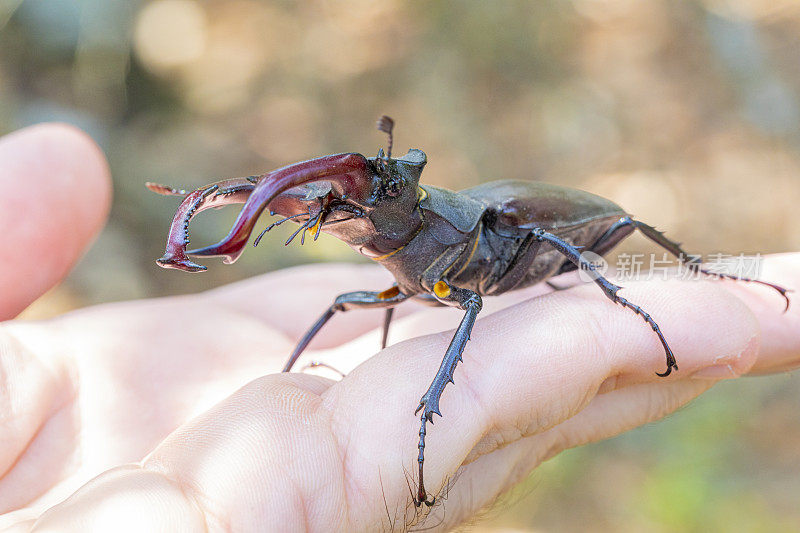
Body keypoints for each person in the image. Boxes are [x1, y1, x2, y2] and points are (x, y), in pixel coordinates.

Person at [0, 123, 797, 532]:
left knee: (592, 240)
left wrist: (621, 295)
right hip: (455, 269)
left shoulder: (469, 227)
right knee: (345, 306)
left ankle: (699, 272)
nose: (353, 221)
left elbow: (522, 265)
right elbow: (372, 271)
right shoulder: (398, 257)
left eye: (364, 209)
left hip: (536, 246)